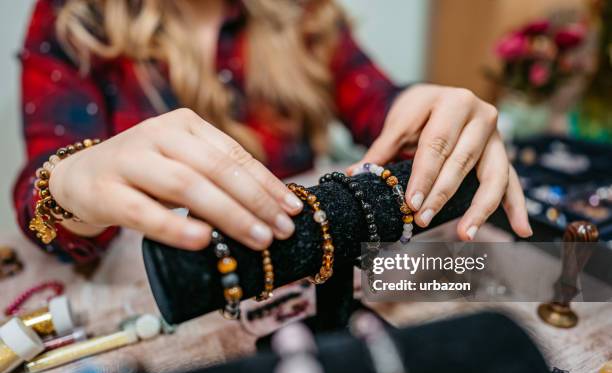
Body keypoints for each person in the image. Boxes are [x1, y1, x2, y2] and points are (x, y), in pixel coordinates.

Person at [13, 0, 532, 264]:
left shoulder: (300, 11)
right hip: (160, 287)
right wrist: (67, 183)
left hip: (300, 273)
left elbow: (378, 102)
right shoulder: (75, 19)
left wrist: (423, 109)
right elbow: (40, 190)